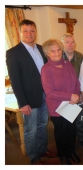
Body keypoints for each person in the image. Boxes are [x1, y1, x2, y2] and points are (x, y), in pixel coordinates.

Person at [6, 19, 56, 165]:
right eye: (26, 31)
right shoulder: (13, 53)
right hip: (29, 99)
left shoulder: (41, 49)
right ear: (20, 33)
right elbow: (15, 81)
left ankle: (42, 149)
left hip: (45, 96)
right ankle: (34, 157)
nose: (29, 34)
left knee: (42, 125)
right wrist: (22, 103)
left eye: (32, 31)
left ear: (36, 32)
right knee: (31, 130)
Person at [41, 39, 81, 165]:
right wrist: (70, 96)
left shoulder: (67, 63)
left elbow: (76, 82)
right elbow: (50, 92)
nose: (57, 53)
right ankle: (63, 155)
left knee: (71, 130)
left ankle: (70, 151)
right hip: (57, 107)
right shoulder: (46, 69)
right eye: (53, 51)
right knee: (61, 133)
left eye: (58, 49)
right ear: (47, 53)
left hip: (71, 104)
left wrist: (76, 95)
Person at [61, 33, 83, 147]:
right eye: (67, 42)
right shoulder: (58, 56)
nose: (70, 45)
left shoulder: (80, 56)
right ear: (63, 43)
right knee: (67, 120)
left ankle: (82, 139)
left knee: (80, 119)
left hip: (78, 93)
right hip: (65, 95)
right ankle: (70, 142)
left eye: (72, 42)